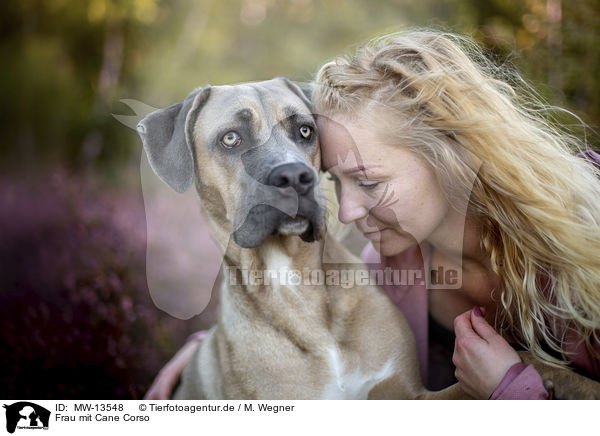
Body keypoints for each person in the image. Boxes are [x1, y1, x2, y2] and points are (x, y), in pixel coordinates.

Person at [144, 30, 600, 400]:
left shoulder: (588, 213)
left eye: (368, 181)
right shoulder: (387, 270)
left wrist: (516, 391)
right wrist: (212, 357)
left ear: (447, 154)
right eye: (335, 180)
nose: (345, 210)